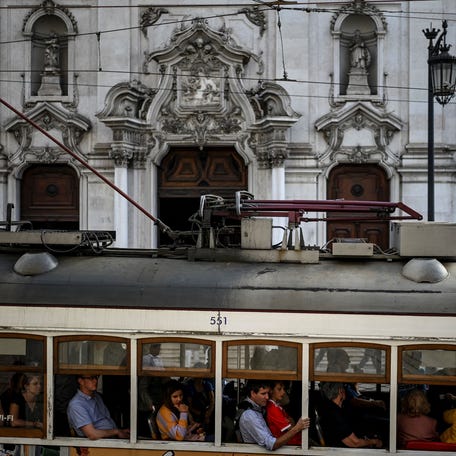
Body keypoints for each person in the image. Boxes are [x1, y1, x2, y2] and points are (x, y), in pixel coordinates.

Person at [239, 380, 309, 450]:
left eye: (267, 393)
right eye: (263, 394)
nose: (267, 397)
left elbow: (286, 402)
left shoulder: (259, 408)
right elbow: (272, 444)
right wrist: (297, 428)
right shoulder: (249, 415)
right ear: (253, 393)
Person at [319, 382, 383, 448]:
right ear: (341, 391)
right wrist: (374, 441)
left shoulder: (333, 408)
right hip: (341, 451)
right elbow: (355, 442)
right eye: (344, 388)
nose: (346, 391)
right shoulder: (335, 414)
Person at [67, 374, 130, 440]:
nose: (95, 381)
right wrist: (116, 432)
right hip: (97, 444)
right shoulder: (77, 404)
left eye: (96, 377)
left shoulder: (96, 396)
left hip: (112, 438)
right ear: (80, 381)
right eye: (91, 378)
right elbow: (92, 434)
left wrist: (120, 431)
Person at [266, 380, 303, 445]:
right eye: (279, 389)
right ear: (271, 390)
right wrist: (295, 426)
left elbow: (292, 421)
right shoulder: (272, 408)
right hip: (290, 444)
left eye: (283, 389)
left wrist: (290, 422)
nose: (283, 392)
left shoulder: (277, 406)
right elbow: (290, 428)